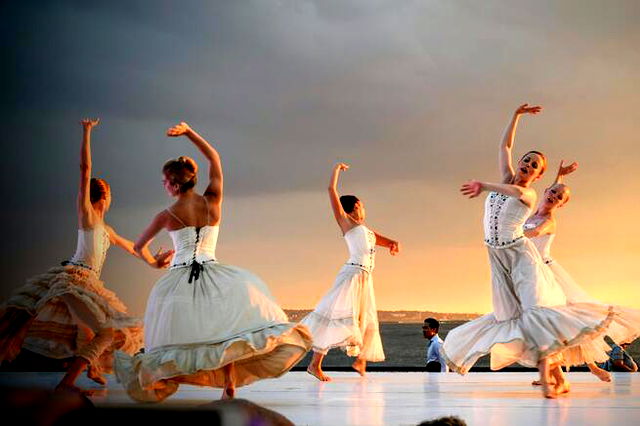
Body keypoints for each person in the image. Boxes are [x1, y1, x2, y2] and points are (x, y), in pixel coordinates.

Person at [114, 122, 313, 402]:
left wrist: (155, 263)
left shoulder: (166, 214)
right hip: (216, 273)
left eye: (164, 182)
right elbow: (214, 158)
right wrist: (189, 132)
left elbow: (137, 247)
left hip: (180, 278)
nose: (163, 186)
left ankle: (168, 378)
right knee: (224, 333)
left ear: (173, 183)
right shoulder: (213, 201)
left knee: (185, 335)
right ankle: (228, 382)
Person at [442, 104, 624, 398]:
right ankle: (558, 378)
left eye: (533, 167)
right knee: (509, 317)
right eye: (525, 161)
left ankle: (549, 376)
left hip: (520, 256)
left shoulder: (527, 193)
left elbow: (513, 193)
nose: (526, 167)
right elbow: (505, 145)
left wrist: (483, 184)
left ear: (538, 176)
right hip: (496, 257)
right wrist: (515, 116)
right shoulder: (507, 178)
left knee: (534, 314)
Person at [0, 119, 163, 392]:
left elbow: (135, 248)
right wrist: (87, 131)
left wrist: (156, 262)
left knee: (86, 332)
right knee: (105, 331)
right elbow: (85, 170)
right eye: (110, 193)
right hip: (74, 279)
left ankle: (89, 371)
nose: (111, 197)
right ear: (105, 196)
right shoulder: (87, 216)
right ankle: (68, 383)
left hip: (85, 282)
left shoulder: (107, 230)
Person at [525, 162, 640, 385]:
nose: (554, 197)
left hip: (548, 275)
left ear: (561, 205)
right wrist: (560, 175)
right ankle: (553, 371)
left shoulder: (548, 221)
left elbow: (533, 233)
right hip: (531, 275)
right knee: (549, 326)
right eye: (553, 192)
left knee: (569, 322)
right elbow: (555, 188)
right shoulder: (534, 209)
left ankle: (590, 366)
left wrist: (509, 234)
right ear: (545, 191)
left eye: (559, 198)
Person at [301, 163, 400, 381]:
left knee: (365, 318)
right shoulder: (346, 223)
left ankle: (360, 361)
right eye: (362, 206)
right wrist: (336, 170)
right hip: (352, 275)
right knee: (333, 317)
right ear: (355, 207)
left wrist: (392, 242)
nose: (364, 209)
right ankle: (314, 365)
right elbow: (331, 191)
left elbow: (376, 237)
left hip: (365, 277)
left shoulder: (364, 229)